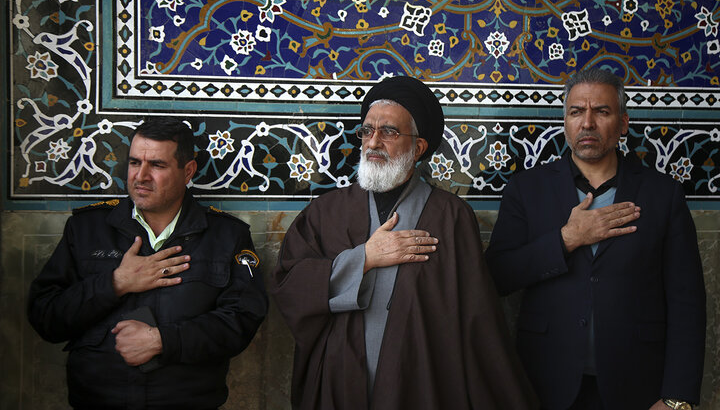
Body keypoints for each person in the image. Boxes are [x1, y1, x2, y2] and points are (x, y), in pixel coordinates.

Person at [272, 76, 538, 410]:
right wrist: (363, 258)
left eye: (389, 132)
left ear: (419, 147)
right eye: (367, 131)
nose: (373, 142)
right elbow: (289, 285)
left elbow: (476, 318)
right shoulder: (326, 212)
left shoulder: (451, 216)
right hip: (341, 380)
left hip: (421, 379)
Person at [486, 67, 706, 410]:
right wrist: (566, 239)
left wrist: (677, 397)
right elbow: (498, 275)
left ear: (623, 123)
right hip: (544, 382)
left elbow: (687, 304)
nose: (587, 123)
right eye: (576, 112)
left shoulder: (664, 194)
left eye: (601, 111)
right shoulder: (527, 189)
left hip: (638, 385)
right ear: (565, 121)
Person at [28, 116, 268, 410]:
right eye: (133, 163)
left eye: (157, 165)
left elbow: (241, 320)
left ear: (188, 170)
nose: (140, 176)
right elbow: (46, 318)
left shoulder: (227, 235)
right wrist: (115, 283)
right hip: (97, 401)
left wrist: (163, 340)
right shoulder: (86, 229)